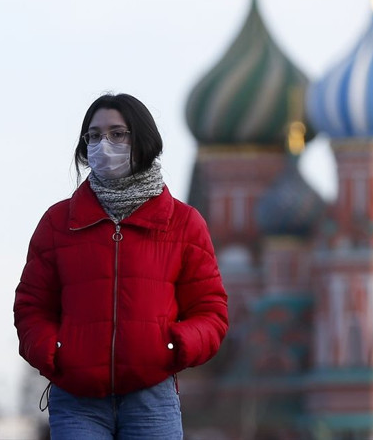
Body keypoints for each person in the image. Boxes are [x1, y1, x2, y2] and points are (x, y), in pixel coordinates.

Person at [14, 93, 228, 439]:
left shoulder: (183, 223)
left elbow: (211, 311)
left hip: (151, 397)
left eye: (118, 133)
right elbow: (31, 307)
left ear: (142, 140)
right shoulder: (59, 222)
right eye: (94, 135)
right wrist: (53, 352)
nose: (104, 143)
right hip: (77, 398)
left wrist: (173, 346)